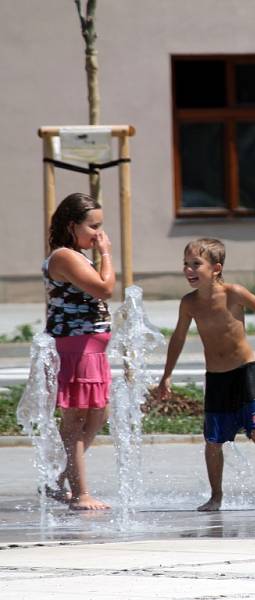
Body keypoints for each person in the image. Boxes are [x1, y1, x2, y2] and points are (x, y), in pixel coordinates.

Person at [157, 238, 255, 511]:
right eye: (185, 264)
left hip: (243, 374)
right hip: (216, 378)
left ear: (216, 268)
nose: (188, 270)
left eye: (196, 264)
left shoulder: (234, 293)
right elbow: (178, 338)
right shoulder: (189, 303)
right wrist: (166, 374)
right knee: (213, 441)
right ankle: (216, 496)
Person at [44, 193, 116, 510]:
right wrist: (106, 254)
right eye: (93, 227)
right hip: (76, 347)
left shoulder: (77, 255)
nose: (99, 234)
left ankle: (58, 477)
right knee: (75, 419)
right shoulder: (65, 256)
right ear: (73, 226)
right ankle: (80, 493)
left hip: (90, 348)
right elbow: (105, 288)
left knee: (100, 413)